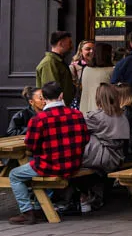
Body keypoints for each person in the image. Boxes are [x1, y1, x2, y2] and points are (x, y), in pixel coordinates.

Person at [6, 82, 88, 225]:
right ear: (61, 95)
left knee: (14, 175)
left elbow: (31, 145)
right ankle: (38, 209)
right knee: (35, 171)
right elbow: (85, 139)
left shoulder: (39, 119)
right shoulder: (77, 114)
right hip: (74, 164)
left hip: (49, 165)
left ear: (44, 97)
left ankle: (27, 212)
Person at [36, 30, 77, 107]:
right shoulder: (49, 63)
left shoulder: (57, 61)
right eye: (69, 43)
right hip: (56, 111)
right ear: (61, 43)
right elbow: (51, 93)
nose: (71, 46)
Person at [79, 43, 115, 110]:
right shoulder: (111, 71)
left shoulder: (86, 69)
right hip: (102, 112)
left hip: (85, 109)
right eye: (111, 52)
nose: (113, 55)